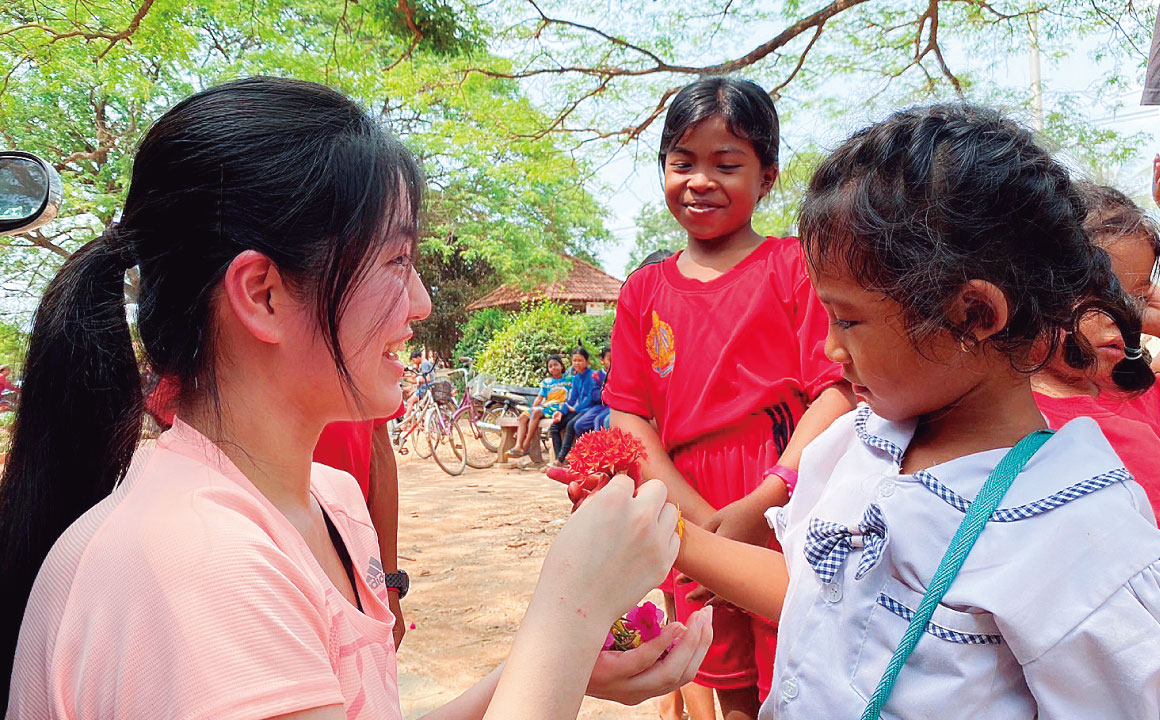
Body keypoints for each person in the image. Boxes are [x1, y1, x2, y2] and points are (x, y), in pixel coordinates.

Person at [0, 77, 713, 718]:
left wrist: (552, 661)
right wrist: (570, 613)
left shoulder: (332, 502)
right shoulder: (194, 562)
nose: (423, 303)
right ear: (264, 294)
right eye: (397, 261)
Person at [668, 103, 1160, 719]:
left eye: (848, 319)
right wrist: (667, 536)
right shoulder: (857, 443)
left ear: (973, 316)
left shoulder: (1076, 531)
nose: (829, 348)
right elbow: (821, 602)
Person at [603, 76, 854, 719]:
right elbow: (629, 410)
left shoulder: (793, 266)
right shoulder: (642, 291)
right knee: (720, 670)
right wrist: (691, 520)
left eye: (727, 164)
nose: (700, 180)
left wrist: (764, 499)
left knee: (796, 652)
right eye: (682, 161)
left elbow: (835, 391)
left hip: (786, 490)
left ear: (767, 176)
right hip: (682, 494)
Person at [1032, 182, 1160, 518]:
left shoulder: (1140, 391)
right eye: (1101, 290)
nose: (1128, 314)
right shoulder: (1014, 422)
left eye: (1139, 299)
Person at [510, 354, 570, 459]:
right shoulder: (546, 382)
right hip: (545, 406)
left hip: (558, 407)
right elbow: (540, 397)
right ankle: (518, 446)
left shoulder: (569, 379)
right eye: (550, 366)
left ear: (562, 366)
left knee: (536, 413)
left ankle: (526, 444)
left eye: (556, 365)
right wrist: (533, 406)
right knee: (523, 417)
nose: (553, 368)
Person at [549, 345, 599, 466]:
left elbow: (590, 398)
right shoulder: (576, 378)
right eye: (574, 360)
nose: (577, 363)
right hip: (577, 410)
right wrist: (561, 412)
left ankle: (560, 459)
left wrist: (576, 408)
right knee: (554, 427)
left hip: (589, 409)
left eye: (580, 360)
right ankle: (559, 459)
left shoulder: (593, 376)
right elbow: (571, 399)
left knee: (572, 425)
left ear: (587, 361)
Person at [572, 347, 613, 437]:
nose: (613, 362)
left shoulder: (619, 374)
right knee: (579, 425)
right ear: (602, 360)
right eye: (610, 359)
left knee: (599, 421)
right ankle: (586, 447)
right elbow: (595, 395)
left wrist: (606, 394)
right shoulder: (597, 375)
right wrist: (609, 394)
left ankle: (600, 448)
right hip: (600, 405)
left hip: (613, 406)